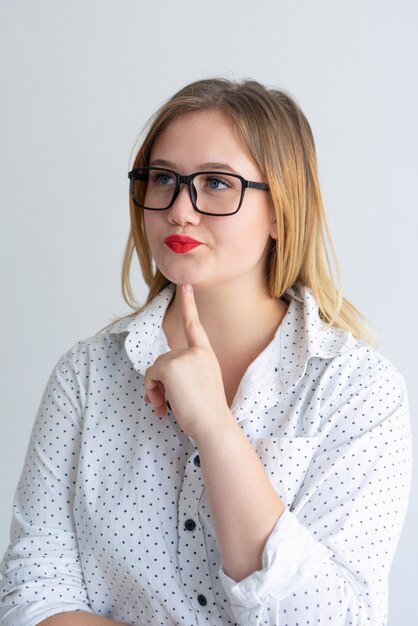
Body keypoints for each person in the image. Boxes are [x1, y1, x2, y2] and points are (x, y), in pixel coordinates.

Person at [0, 78, 412, 626]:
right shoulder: (88, 374)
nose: (179, 210)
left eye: (216, 183)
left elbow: (336, 619)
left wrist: (216, 428)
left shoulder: (356, 388)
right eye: (164, 179)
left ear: (281, 211)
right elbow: (32, 594)